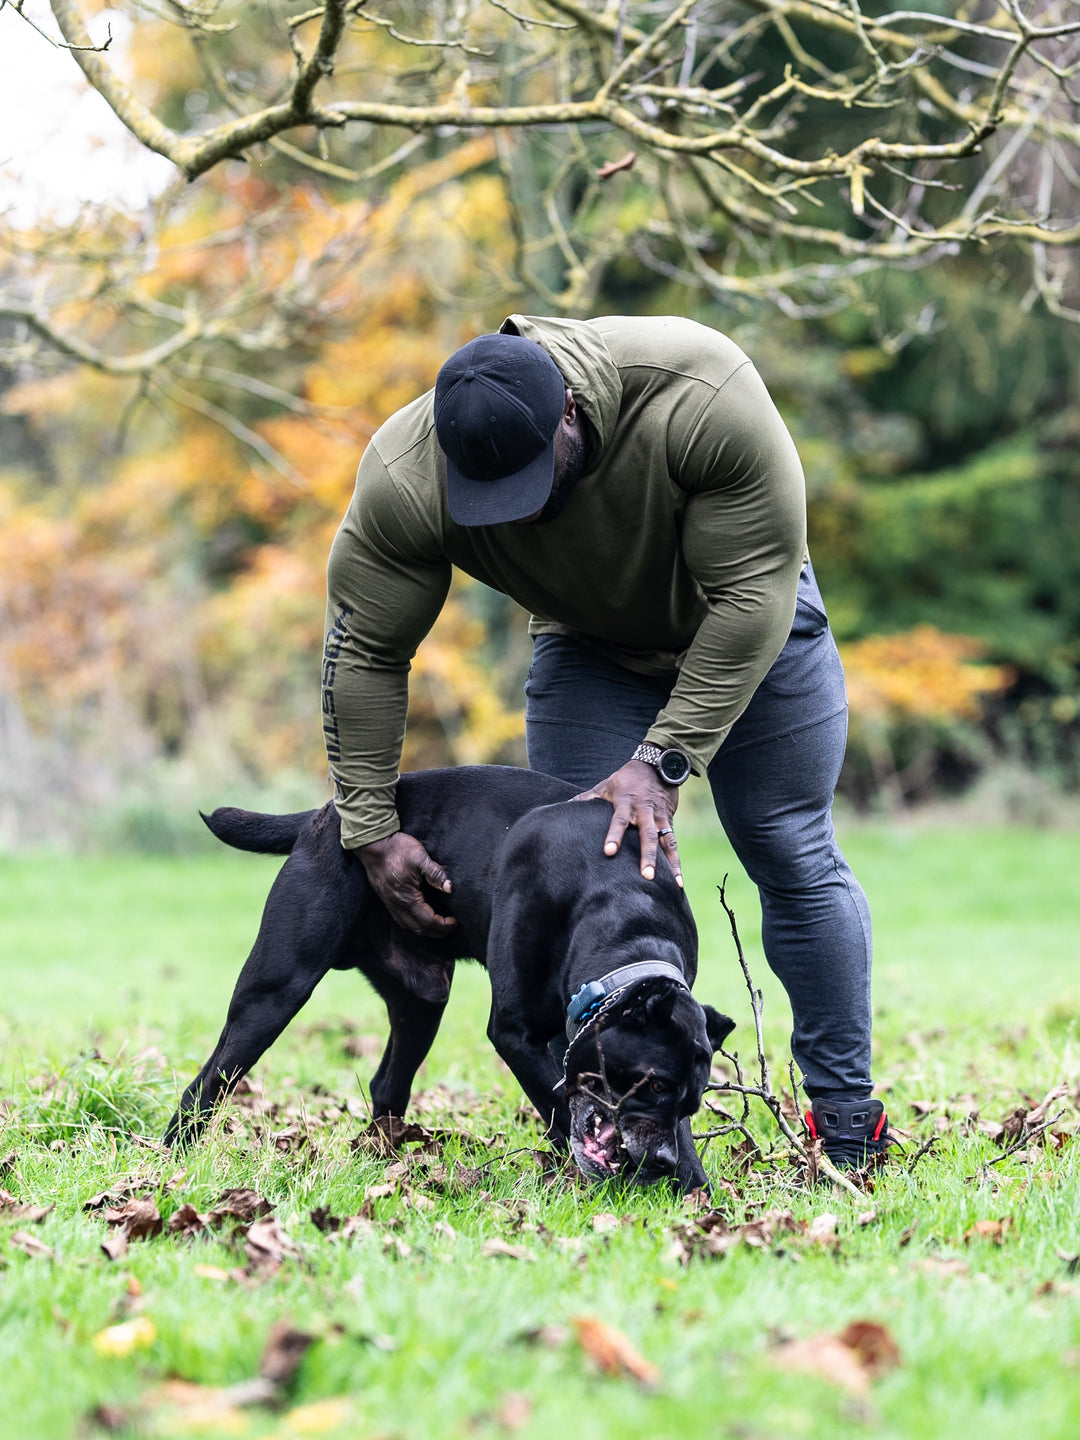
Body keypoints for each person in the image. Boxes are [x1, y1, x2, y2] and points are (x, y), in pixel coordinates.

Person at [322, 314, 888, 1169]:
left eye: (533, 480)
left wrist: (661, 765)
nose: (524, 509)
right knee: (577, 870)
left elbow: (749, 601)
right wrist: (368, 826)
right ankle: (603, 1124)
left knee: (787, 844)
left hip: (750, 628)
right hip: (589, 647)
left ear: (571, 416)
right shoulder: (405, 477)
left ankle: (847, 1122)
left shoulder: (701, 397)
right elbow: (365, 648)